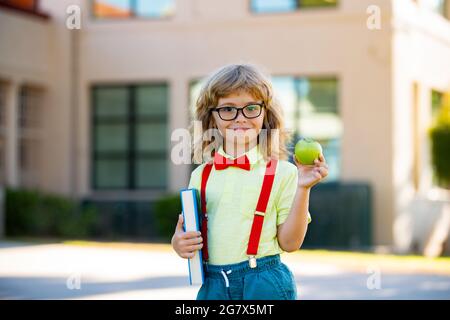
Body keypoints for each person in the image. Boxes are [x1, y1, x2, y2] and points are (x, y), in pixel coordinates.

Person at [171, 63, 328, 300]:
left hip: (263, 283)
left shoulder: (284, 173)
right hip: (213, 285)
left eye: (251, 108)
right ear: (211, 118)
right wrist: (178, 243)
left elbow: (290, 243)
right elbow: (189, 232)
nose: (240, 118)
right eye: (227, 109)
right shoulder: (200, 175)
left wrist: (303, 187)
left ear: (265, 114)